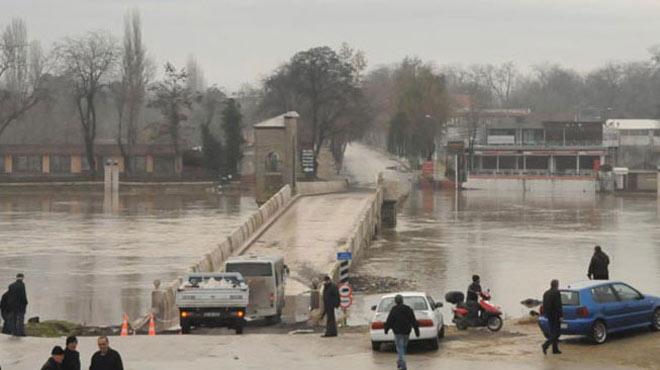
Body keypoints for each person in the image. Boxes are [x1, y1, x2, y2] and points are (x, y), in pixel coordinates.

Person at [384, 295, 420, 370]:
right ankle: (400, 361)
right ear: (402, 300)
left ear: (395, 301)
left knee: (400, 348)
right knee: (403, 347)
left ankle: (402, 364)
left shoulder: (394, 309)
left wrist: (386, 329)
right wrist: (417, 331)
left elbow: (389, 320)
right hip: (407, 331)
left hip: (397, 332)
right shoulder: (408, 309)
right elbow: (413, 320)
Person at [541, 279, 563, 355]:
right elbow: (558, 305)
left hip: (549, 315)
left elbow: (544, 305)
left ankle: (555, 349)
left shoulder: (546, 293)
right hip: (555, 315)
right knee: (557, 333)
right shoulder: (557, 293)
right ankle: (545, 345)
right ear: (557, 285)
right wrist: (561, 315)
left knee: (553, 332)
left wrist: (545, 314)